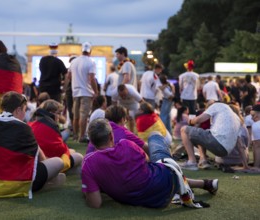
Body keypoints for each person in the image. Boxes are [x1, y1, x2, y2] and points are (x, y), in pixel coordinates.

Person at [82, 118, 218, 209]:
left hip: (156, 201)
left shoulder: (88, 163)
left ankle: (205, 183)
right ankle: (200, 181)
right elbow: (147, 160)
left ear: (92, 142)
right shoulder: (126, 144)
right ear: (111, 136)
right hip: (167, 181)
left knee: (156, 170)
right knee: (154, 135)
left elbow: (95, 203)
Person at [0, 91, 65, 198]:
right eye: (24, 110)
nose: (25, 114)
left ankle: (50, 181)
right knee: (58, 162)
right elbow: (41, 159)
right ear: (18, 109)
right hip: (10, 183)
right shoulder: (23, 128)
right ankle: (48, 182)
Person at [180, 102, 241, 170]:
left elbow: (198, 120)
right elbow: (240, 143)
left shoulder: (216, 105)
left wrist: (190, 121)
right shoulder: (236, 117)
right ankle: (203, 160)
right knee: (201, 135)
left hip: (217, 141)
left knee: (184, 129)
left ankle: (192, 162)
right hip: (225, 151)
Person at [29, 99, 83, 173]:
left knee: (73, 156)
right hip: (44, 163)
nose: (60, 116)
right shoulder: (50, 126)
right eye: (59, 113)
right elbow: (61, 151)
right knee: (79, 156)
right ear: (52, 113)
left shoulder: (31, 123)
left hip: (35, 162)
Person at [69, 42, 98, 143]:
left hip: (75, 91)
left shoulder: (74, 61)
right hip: (86, 92)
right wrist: (96, 91)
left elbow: (69, 76)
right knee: (83, 116)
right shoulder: (91, 62)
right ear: (90, 51)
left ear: (81, 50)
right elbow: (92, 78)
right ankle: (82, 137)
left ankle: (75, 136)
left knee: (75, 116)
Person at [250, 104, 260, 169]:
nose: (252, 118)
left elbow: (257, 146)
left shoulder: (256, 125)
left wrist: (256, 166)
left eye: (253, 115)